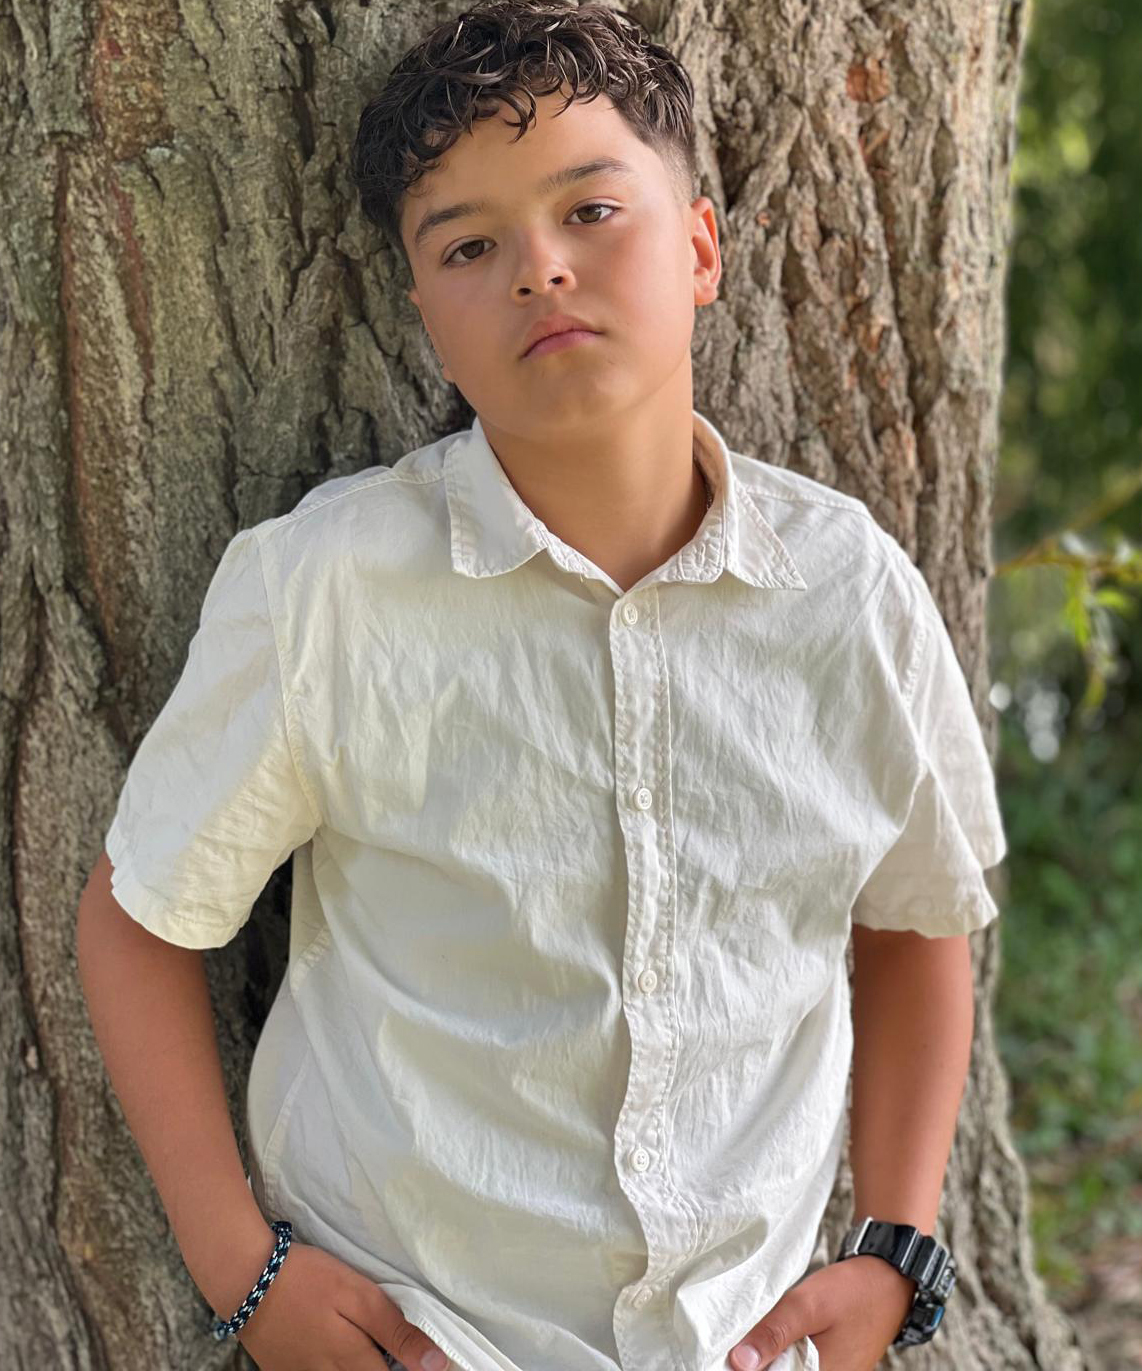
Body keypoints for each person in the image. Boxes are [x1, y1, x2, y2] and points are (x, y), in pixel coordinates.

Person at [77, 2, 1008, 1370]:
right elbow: (142, 914)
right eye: (468, 245)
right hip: (423, 1331)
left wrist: (896, 1250)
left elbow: (918, 917)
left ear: (701, 249)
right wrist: (240, 1268)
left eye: (591, 211)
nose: (540, 269)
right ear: (424, 318)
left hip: (742, 1340)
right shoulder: (327, 589)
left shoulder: (847, 591)